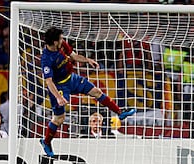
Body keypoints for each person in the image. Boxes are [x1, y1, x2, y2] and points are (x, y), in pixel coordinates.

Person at [40, 27, 136, 157]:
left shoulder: (62, 45)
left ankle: (120, 113)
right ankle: (46, 142)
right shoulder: (46, 59)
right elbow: (49, 82)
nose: (63, 40)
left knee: (96, 92)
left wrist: (87, 60)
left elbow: (73, 56)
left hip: (72, 78)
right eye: (61, 38)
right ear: (54, 42)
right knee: (59, 119)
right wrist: (58, 97)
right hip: (59, 87)